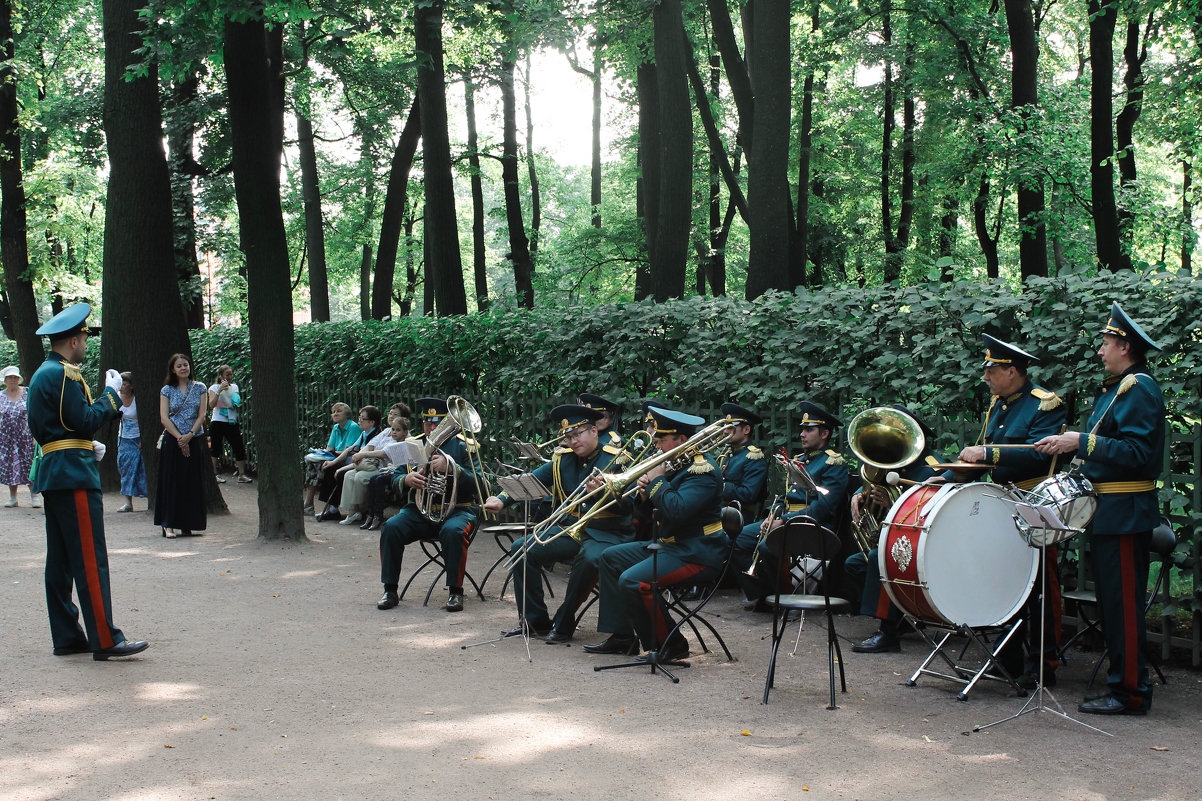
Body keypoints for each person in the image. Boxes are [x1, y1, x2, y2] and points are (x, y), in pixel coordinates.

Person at [1036, 303, 1164, 716]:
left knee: (1123, 607)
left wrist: (1082, 442)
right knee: (1113, 605)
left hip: (1126, 512)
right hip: (1110, 512)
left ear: (1124, 346)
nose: (1100, 351)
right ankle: (1123, 685)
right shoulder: (1117, 388)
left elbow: (1138, 452)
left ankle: (1130, 693)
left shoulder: (1139, 388)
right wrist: (1070, 445)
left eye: (1106, 343)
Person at [28, 302, 147, 660]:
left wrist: (82, 443)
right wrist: (111, 396)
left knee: (62, 559)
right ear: (73, 341)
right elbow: (83, 419)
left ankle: (67, 636)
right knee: (90, 560)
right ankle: (105, 639)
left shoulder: (42, 373)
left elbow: (60, 426)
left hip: (58, 468)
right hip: (73, 474)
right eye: (83, 337)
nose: (85, 342)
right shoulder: (64, 373)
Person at [947, 334, 1066, 688]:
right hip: (1001, 504)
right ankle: (1009, 658)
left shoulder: (1045, 404)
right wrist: (942, 476)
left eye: (991, 371)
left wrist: (989, 454)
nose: (986, 378)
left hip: (1033, 505)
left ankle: (1043, 664)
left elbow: (1040, 453)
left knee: (1040, 587)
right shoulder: (999, 405)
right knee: (1004, 580)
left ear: (1012, 371)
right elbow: (984, 452)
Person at [482, 404, 635, 642]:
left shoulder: (617, 459)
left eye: (579, 434)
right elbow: (531, 479)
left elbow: (631, 506)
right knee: (521, 550)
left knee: (590, 559)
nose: (573, 441)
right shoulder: (562, 459)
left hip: (607, 531)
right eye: (569, 436)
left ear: (594, 431)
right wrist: (501, 499)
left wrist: (603, 494)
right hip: (570, 530)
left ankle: (565, 619)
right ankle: (534, 622)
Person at [585, 406, 726, 662]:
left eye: (662, 440)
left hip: (697, 553)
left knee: (633, 581)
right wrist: (643, 495)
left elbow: (678, 511)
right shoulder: (674, 465)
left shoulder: (702, 471)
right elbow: (647, 517)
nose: (657, 446)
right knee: (610, 557)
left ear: (681, 440)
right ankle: (623, 637)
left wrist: (658, 482)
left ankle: (671, 645)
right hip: (671, 546)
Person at [732, 401, 850, 610]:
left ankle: (786, 600)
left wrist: (783, 521)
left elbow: (823, 508)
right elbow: (786, 497)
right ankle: (764, 595)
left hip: (814, 525)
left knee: (767, 547)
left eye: (809, 429)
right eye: (802, 429)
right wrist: (771, 515)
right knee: (739, 539)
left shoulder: (833, 463)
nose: (802, 434)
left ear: (824, 434)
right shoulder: (799, 460)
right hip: (787, 522)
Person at [845, 406, 944, 653]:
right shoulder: (891, 459)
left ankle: (888, 633)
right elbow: (872, 481)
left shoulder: (932, 466)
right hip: (897, 539)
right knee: (854, 564)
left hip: (923, 542)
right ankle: (901, 618)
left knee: (876, 559)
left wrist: (893, 504)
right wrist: (858, 496)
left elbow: (930, 509)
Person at [377, 397, 486, 613]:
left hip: (458, 510)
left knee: (453, 531)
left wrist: (453, 468)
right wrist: (406, 480)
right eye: (428, 423)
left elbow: (481, 486)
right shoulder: (410, 445)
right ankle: (390, 589)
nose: (432, 428)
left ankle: (455, 592)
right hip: (419, 512)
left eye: (437, 423)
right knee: (391, 528)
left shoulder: (465, 447)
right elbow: (395, 476)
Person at [156, 352, 208, 538]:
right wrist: (180, 438)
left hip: (194, 438)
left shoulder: (200, 387)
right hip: (173, 438)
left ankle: (188, 523)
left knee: (191, 482)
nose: (183, 368)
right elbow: (164, 417)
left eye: (185, 365)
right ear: (173, 369)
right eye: (179, 366)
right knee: (172, 480)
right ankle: (168, 524)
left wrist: (190, 435)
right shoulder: (167, 390)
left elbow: (202, 414)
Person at [340, 403, 410, 527]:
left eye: (395, 414)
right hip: (371, 464)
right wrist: (359, 455)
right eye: (390, 413)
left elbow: (384, 453)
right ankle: (352, 512)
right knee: (349, 475)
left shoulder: (405, 436)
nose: (391, 416)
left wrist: (363, 455)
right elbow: (371, 444)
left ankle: (363, 510)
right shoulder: (387, 431)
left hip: (383, 467)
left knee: (360, 477)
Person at [315, 406, 382, 521]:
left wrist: (340, 468)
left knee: (340, 473)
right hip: (357, 463)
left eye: (362, 419)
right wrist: (332, 463)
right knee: (329, 468)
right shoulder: (364, 434)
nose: (359, 420)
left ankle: (345, 510)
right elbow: (348, 450)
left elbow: (361, 458)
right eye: (359, 417)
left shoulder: (376, 436)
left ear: (371, 422)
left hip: (366, 466)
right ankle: (333, 509)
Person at [302, 402, 361, 514]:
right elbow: (329, 448)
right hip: (334, 457)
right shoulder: (336, 427)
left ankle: (312, 505)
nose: (335, 414)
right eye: (333, 412)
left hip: (347, 459)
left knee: (321, 466)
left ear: (347, 414)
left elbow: (348, 451)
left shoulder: (353, 427)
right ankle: (309, 503)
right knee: (313, 463)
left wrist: (331, 453)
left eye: (339, 411)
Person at [718, 402, 767, 520]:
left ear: (746, 429)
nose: (725, 431)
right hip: (719, 512)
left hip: (737, 518)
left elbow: (748, 495)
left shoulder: (754, 457)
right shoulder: (728, 453)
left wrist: (720, 486)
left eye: (731, 428)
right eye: (725, 427)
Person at [0, 365, 39, 508]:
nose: (12, 380)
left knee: (29, 464)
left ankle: (34, 496)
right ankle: (12, 497)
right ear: (4, 380)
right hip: (6, 439)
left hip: (26, 437)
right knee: (10, 465)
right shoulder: (0, 396)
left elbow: (35, 415)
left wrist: (36, 436)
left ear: (19, 379)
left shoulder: (28, 393)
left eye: (15, 377)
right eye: (9, 377)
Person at [207, 365, 251, 484]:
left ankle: (241, 474)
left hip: (231, 420)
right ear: (221, 376)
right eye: (228, 374)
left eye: (231, 374)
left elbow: (235, 402)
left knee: (239, 447)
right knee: (215, 448)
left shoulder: (234, 387)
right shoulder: (213, 387)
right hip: (217, 421)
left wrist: (227, 394)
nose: (230, 377)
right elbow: (211, 405)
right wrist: (220, 390)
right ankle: (214, 474)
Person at [116, 372, 147, 512]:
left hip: (138, 438)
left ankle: (149, 498)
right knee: (125, 467)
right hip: (124, 438)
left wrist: (143, 439)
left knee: (142, 468)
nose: (122, 386)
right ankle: (128, 502)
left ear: (131, 386)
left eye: (124, 383)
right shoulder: (117, 397)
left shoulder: (138, 399)